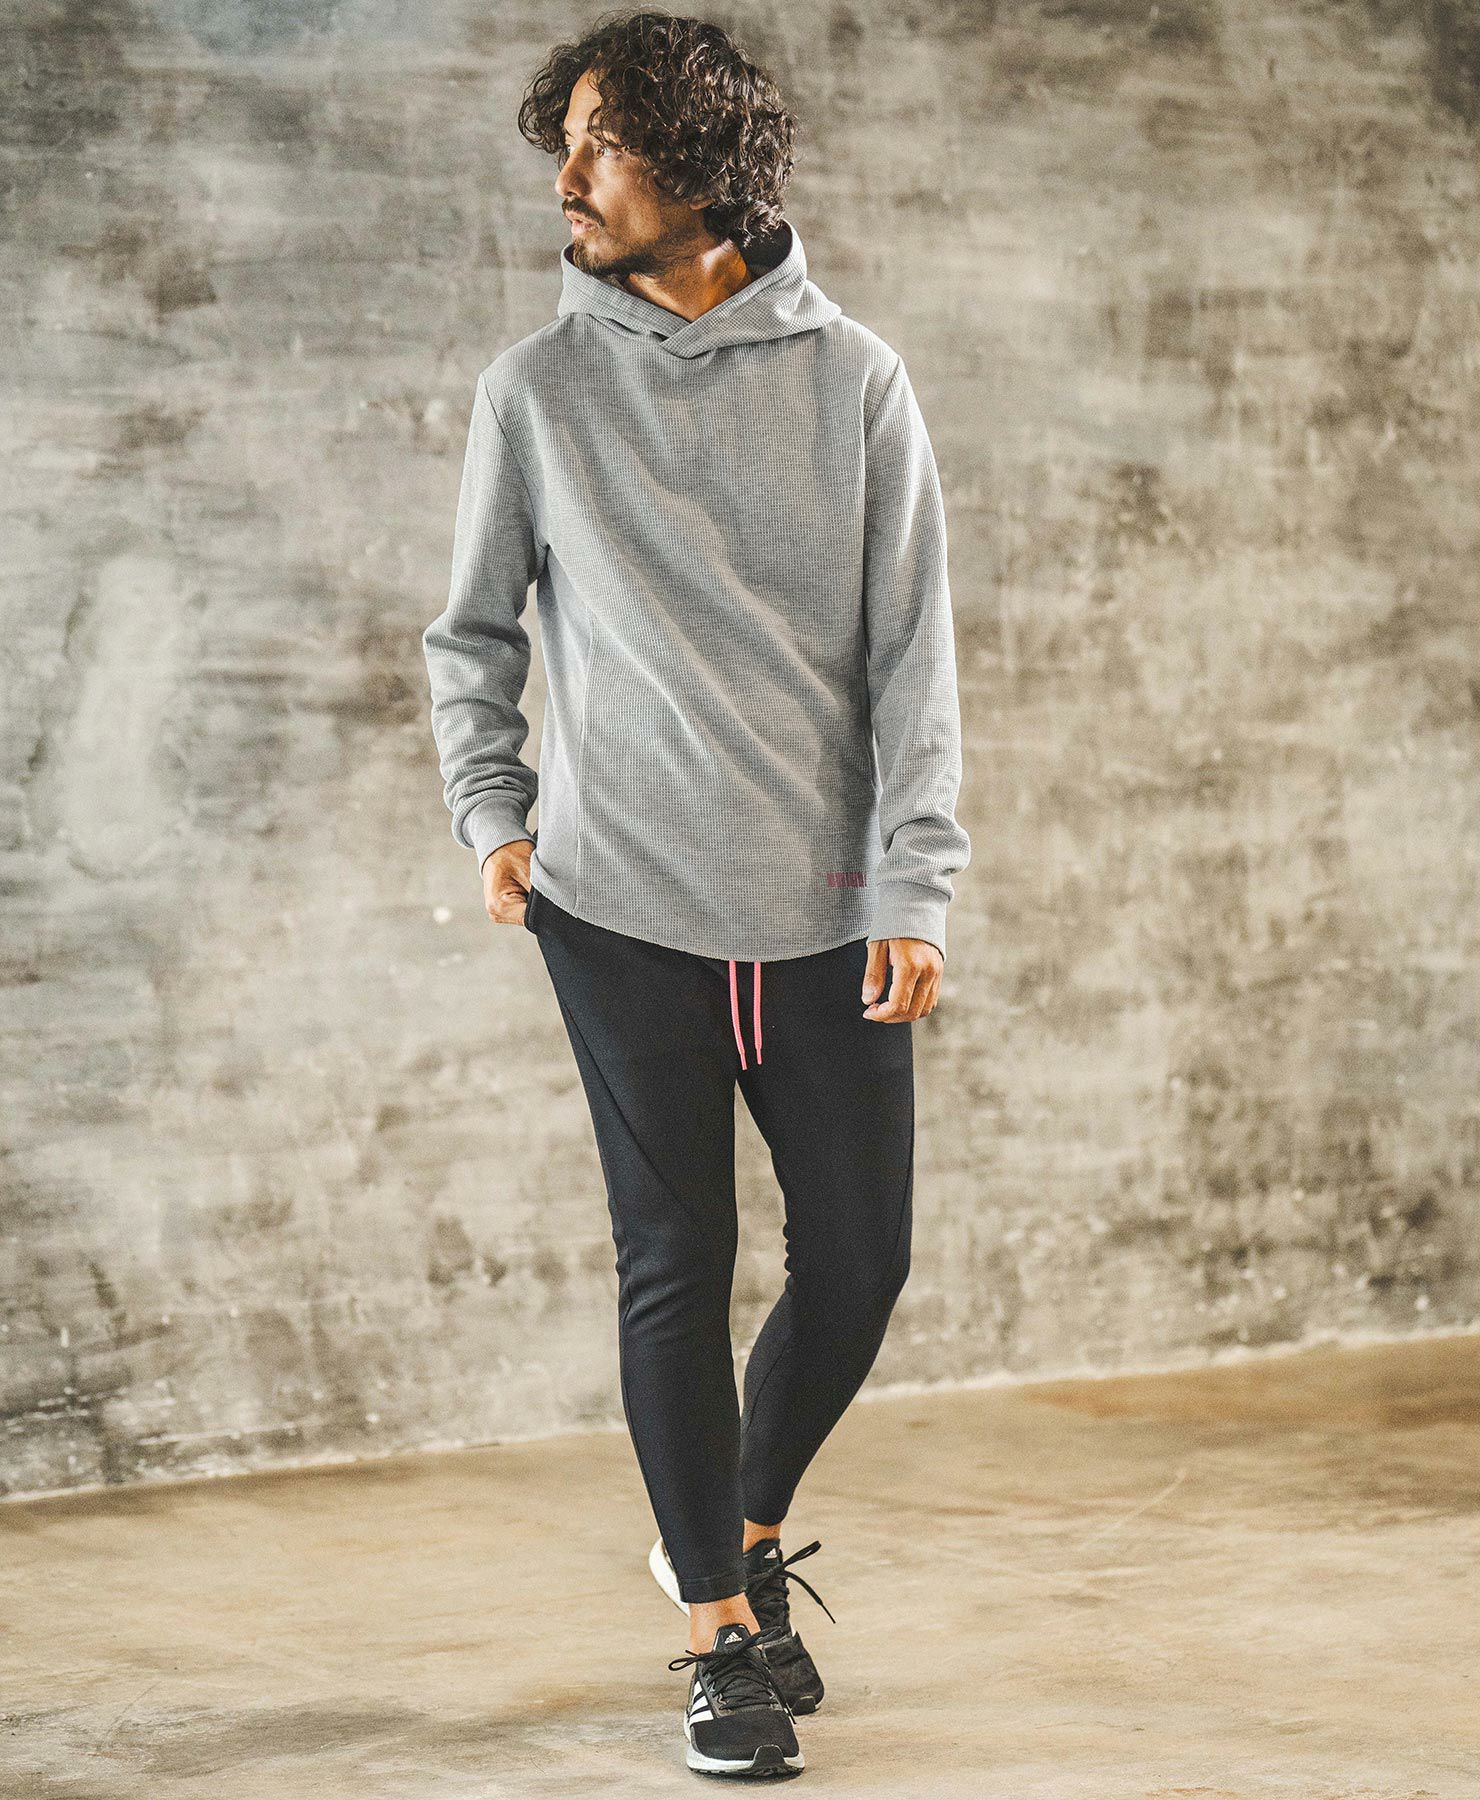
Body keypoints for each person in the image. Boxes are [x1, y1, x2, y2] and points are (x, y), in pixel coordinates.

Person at [421, 10, 970, 1779]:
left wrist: (916, 883)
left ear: (703, 160)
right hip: (616, 903)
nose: (566, 180)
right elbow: (470, 636)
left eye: (601, 142)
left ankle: (730, 1524)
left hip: (826, 904)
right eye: (563, 145)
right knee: (678, 1259)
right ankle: (720, 1635)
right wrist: (492, 811)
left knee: (861, 1260)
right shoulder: (537, 391)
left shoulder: (855, 381)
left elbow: (913, 662)